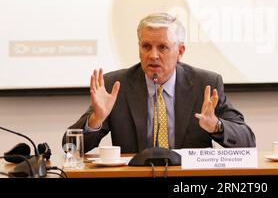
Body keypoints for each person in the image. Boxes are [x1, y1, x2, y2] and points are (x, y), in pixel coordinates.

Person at [64, 13, 255, 153]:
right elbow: (69, 147)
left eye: (162, 47)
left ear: (180, 51)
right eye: (146, 46)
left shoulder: (205, 84)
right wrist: (96, 119)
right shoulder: (116, 85)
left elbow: (248, 141)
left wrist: (216, 126)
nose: (153, 55)